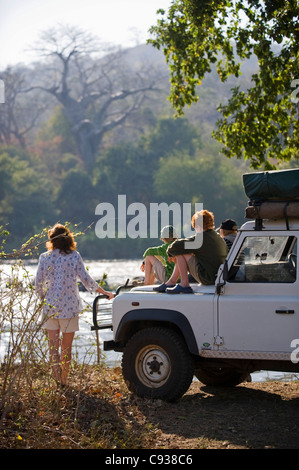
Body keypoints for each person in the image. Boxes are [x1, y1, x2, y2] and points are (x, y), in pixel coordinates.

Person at [35, 223, 114, 386]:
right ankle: (63, 381)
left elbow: (38, 283)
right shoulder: (74, 256)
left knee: (53, 348)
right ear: (69, 238)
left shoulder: (44, 257)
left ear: (51, 240)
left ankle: (57, 380)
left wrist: (44, 299)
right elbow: (86, 279)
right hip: (69, 308)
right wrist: (104, 292)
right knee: (66, 348)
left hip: (50, 308)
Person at [154, 210, 227, 294]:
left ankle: (184, 284)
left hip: (208, 278)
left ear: (198, 226)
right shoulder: (217, 237)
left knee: (181, 251)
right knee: (184, 250)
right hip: (217, 276)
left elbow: (176, 245)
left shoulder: (201, 239)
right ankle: (171, 282)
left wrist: (170, 253)